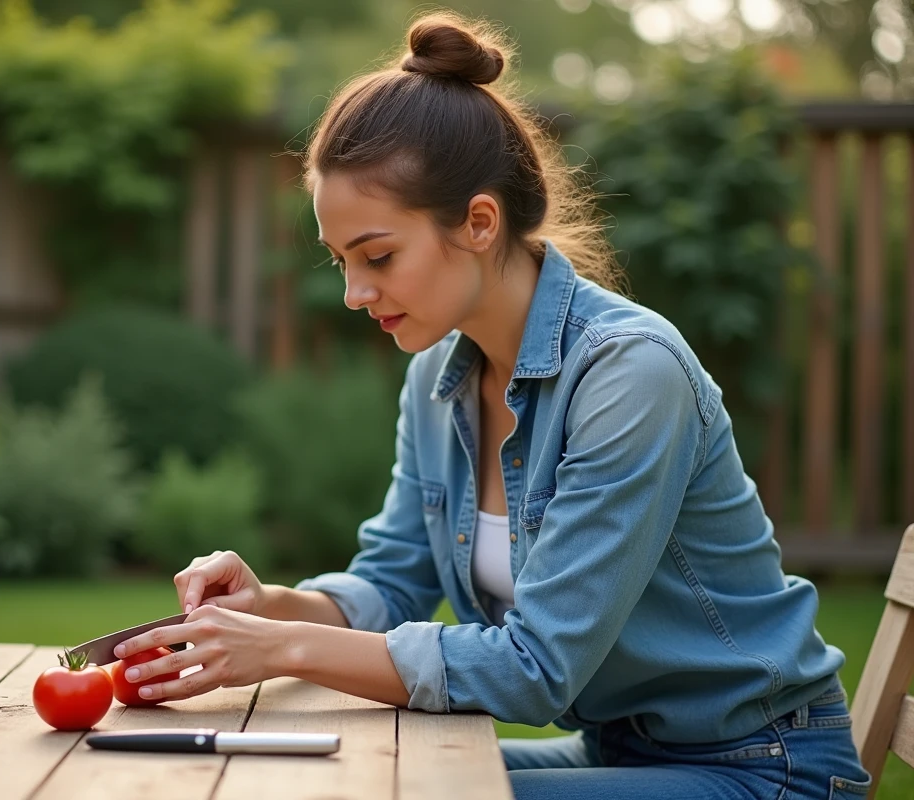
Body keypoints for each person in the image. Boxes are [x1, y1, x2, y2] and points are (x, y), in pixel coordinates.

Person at [111, 12, 872, 799]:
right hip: (625, 753)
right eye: (341, 262)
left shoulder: (629, 374)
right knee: (338, 780)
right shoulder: (438, 379)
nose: (354, 293)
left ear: (479, 222)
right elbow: (393, 584)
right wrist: (270, 609)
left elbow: (536, 668)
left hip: (763, 767)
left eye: (379, 256)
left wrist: (282, 650)